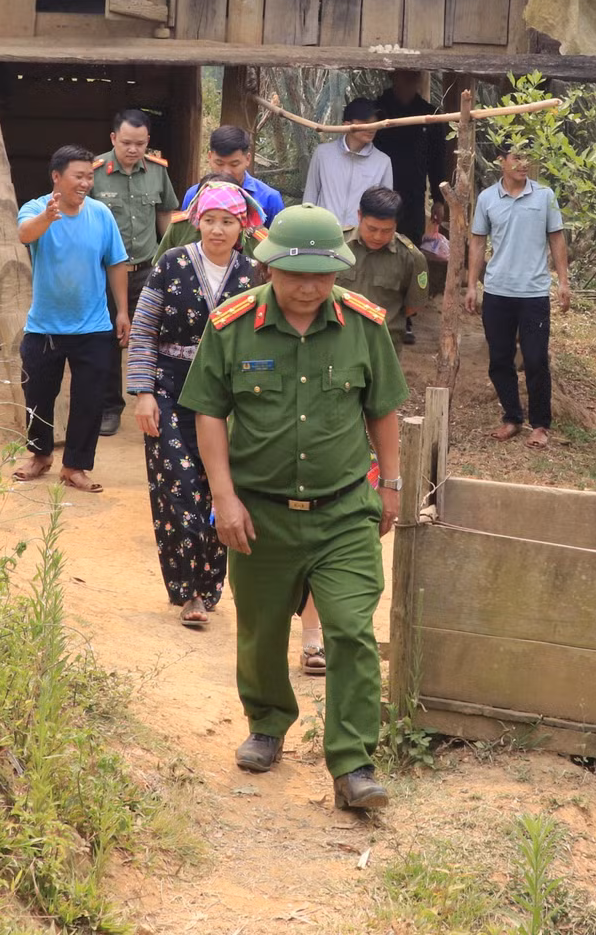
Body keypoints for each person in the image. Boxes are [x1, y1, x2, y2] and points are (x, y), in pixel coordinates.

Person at [179, 204, 408, 812]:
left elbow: (382, 409)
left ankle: (354, 763)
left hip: (343, 513)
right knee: (258, 631)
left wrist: (392, 485)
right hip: (260, 513)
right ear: (266, 267)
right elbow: (208, 412)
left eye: (322, 275)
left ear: (339, 271)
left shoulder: (364, 326)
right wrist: (223, 498)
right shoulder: (232, 327)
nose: (308, 287)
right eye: (294, 274)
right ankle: (267, 723)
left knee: (353, 631)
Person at [127, 178, 265, 628]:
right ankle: (188, 592)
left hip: (228, 399)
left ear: (241, 227)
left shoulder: (253, 274)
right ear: (196, 222)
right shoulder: (171, 263)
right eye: (209, 220)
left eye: (228, 221)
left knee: (218, 488)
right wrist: (143, 392)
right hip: (169, 388)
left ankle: (210, 586)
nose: (218, 229)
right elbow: (145, 329)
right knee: (179, 486)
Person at [14, 145, 129, 493]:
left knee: (89, 399)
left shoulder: (101, 215)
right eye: (78, 176)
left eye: (89, 176)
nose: (85, 183)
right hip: (44, 326)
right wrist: (47, 218)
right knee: (37, 395)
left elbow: (116, 262)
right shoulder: (36, 209)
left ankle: (75, 466)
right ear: (56, 177)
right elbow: (24, 235)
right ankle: (40, 455)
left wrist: (122, 310)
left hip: (93, 325)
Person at [466, 142, 571, 450]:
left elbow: (557, 239)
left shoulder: (545, 196)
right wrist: (472, 285)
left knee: (536, 359)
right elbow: (476, 243)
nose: (524, 163)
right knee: (499, 359)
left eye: (528, 157)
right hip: (498, 291)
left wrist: (563, 281)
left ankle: (540, 425)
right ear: (501, 161)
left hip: (534, 292)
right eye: (517, 157)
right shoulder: (487, 199)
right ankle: (512, 417)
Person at [89, 108, 181, 437]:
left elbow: (165, 216)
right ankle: (109, 408)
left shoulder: (157, 171)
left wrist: (169, 263)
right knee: (107, 340)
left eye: (140, 144)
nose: (133, 150)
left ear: (148, 142)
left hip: (147, 269)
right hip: (104, 272)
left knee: (154, 337)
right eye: (126, 142)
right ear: (113, 138)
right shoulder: (94, 172)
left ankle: (156, 402)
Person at [161, 125, 285, 252]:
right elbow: (187, 235)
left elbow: (278, 248)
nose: (226, 171)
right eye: (219, 163)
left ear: (248, 159)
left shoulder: (270, 198)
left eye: (234, 164)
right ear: (209, 157)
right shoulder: (194, 194)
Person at [340, 186, 428, 348]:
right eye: (372, 228)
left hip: (383, 345)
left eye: (387, 230)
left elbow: (413, 306)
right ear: (359, 216)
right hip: (339, 338)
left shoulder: (411, 258)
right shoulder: (337, 246)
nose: (378, 236)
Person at [372, 70, 443, 244]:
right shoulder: (376, 112)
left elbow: (438, 160)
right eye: (405, 75)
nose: (410, 81)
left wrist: (438, 199)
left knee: (411, 248)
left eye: (414, 76)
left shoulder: (430, 114)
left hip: (414, 197)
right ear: (393, 76)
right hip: (378, 193)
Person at [302, 98, 394, 227]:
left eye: (374, 123)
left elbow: (385, 208)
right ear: (347, 124)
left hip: (360, 237)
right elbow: (310, 197)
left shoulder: (383, 162)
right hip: (323, 232)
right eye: (365, 122)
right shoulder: (323, 154)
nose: (371, 128)